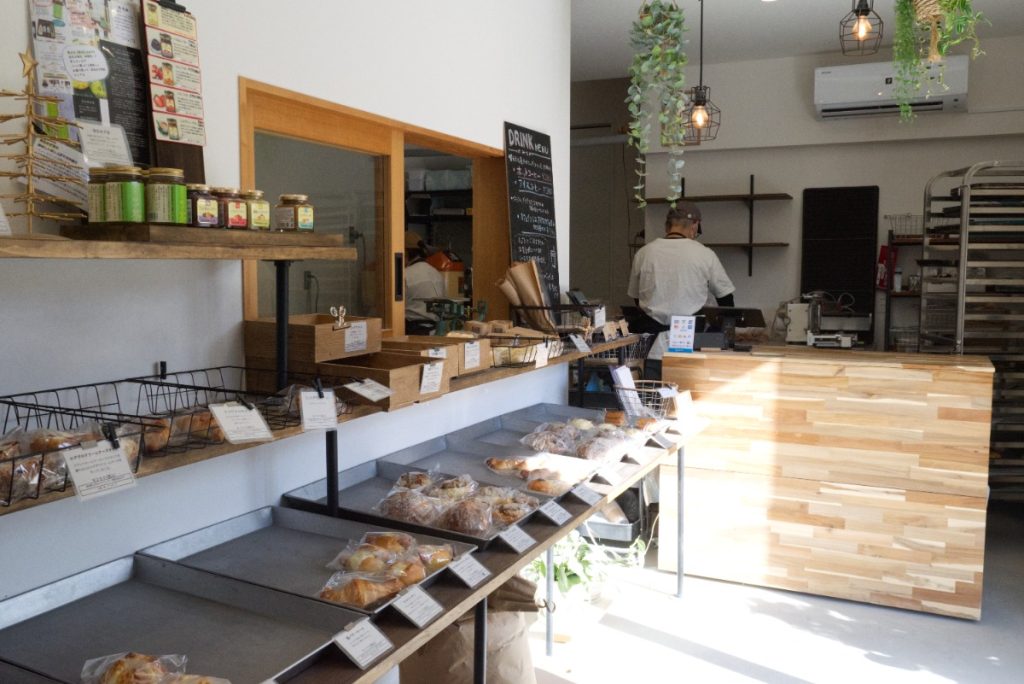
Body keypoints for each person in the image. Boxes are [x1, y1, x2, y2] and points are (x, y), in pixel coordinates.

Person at [627, 201, 736, 379]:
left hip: (650, 346)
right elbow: (726, 300)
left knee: (651, 392)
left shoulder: (644, 253)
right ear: (695, 225)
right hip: (692, 344)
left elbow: (636, 299)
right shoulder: (704, 254)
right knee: (688, 391)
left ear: (667, 225)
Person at [404, 231, 445, 334]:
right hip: (435, 330)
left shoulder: (405, 274)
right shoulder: (436, 273)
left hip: (413, 331)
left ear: (405, 252)